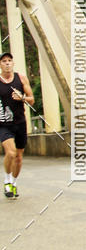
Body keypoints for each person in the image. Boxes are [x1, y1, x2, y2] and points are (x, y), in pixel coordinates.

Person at [0, 52, 33, 198]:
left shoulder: (21, 78)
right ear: (0, 65)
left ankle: (13, 183)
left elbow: (31, 99)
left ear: (13, 63)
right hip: (3, 124)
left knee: (18, 157)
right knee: (11, 153)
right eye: (4, 61)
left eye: (9, 60)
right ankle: (6, 181)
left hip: (20, 123)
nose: (7, 63)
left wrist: (22, 97)